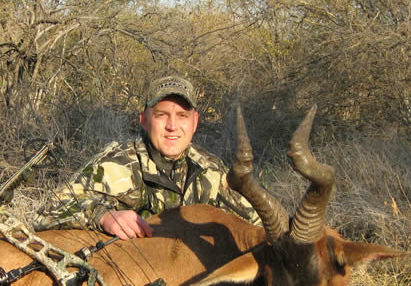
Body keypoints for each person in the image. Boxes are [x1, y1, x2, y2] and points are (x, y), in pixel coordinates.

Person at [32, 75, 260, 240]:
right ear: (144, 119)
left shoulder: (212, 171)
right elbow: (46, 214)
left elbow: (258, 224)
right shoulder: (117, 165)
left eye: (182, 116)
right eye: (162, 115)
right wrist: (103, 215)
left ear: (195, 122)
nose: (172, 126)